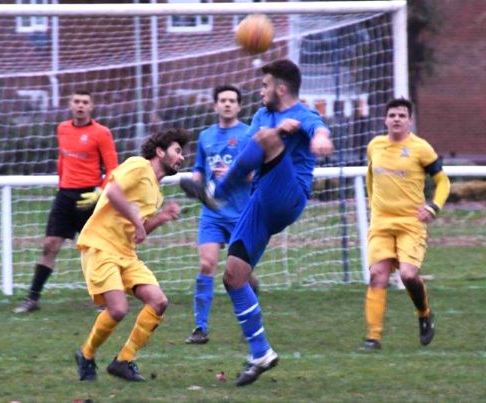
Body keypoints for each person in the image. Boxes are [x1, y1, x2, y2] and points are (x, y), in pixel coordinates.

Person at [181, 59, 334, 386]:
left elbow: (317, 129)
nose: (260, 91)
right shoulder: (263, 116)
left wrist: (320, 139)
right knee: (234, 276)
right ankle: (260, 352)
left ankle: (215, 193)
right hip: (259, 200)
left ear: (280, 88)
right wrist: (276, 132)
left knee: (267, 137)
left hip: (288, 195)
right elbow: (248, 156)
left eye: (265, 85)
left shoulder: (304, 115)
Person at [74, 128, 187, 382]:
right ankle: (86, 354)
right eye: (177, 151)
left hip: (125, 252)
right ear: (160, 151)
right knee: (118, 309)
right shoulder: (138, 166)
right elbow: (112, 192)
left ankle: (124, 360)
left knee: (158, 301)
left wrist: (162, 217)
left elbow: (140, 232)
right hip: (100, 245)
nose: (182, 158)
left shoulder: (157, 192)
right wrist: (136, 220)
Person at [13, 90, 118, 314]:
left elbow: (112, 168)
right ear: (70, 105)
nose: (80, 106)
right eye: (77, 101)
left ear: (91, 107)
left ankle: (102, 300)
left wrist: (100, 191)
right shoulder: (62, 128)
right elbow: (62, 159)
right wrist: (62, 182)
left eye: (85, 102)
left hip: (89, 196)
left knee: (94, 250)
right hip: (65, 196)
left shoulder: (101, 133)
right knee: (50, 244)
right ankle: (32, 298)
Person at [359, 98, 450, 351]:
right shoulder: (375, 146)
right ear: (385, 120)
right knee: (378, 274)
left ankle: (424, 313)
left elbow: (443, 182)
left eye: (401, 115)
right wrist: (374, 208)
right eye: (392, 115)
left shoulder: (421, 149)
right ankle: (373, 338)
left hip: (411, 222)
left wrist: (433, 206)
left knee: (409, 275)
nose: (396, 119)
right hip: (381, 222)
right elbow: (370, 179)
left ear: (409, 120)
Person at [182, 85, 260, 345]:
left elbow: (252, 173)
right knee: (207, 264)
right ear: (215, 106)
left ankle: (251, 310)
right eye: (223, 100)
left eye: (232, 101)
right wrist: (196, 185)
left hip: (241, 214)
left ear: (239, 106)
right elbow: (199, 169)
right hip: (213, 214)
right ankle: (200, 328)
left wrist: (231, 175)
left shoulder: (249, 134)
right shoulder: (205, 136)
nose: (227, 104)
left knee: (241, 274)